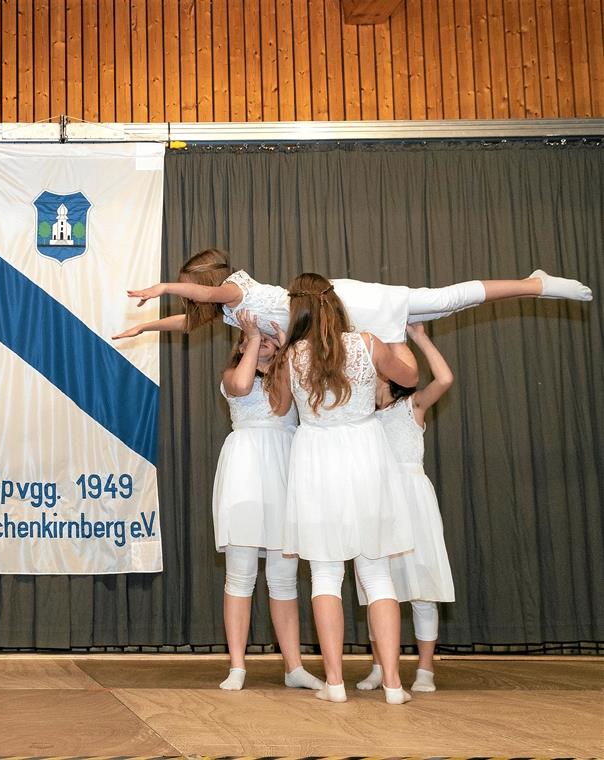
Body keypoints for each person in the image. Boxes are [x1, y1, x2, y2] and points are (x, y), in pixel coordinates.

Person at [267, 273, 419, 705]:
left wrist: (280, 353)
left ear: (298, 310)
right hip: (366, 453)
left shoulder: (290, 357)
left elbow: (279, 408)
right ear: (336, 305)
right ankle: (393, 684)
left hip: (316, 458)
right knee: (377, 574)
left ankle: (334, 683)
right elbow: (410, 375)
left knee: (325, 575)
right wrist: (398, 337)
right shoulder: (368, 343)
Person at [114, 248, 591, 344]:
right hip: (335, 327)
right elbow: (189, 320)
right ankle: (533, 284)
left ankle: (537, 284)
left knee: (443, 301)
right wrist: (147, 325)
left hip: (340, 304)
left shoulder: (237, 288)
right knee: (441, 310)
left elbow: (207, 292)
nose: (191, 300)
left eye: (188, 287)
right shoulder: (229, 313)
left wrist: (163, 286)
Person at [212, 311, 323, 693]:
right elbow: (243, 384)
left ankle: (293, 667)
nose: (263, 345)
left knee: (284, 579)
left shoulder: (288, 379)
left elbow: (279, 406)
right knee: (239, 576)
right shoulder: (232, 377)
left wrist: (287, 346)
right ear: (241, 344)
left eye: (269, 340)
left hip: (284, 473)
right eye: (253, 340)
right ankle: (238, 666)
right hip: (244, 474)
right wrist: (254, 338)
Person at [357, 323, 456, 694]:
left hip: (413, 499)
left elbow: (444, 378)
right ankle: (380, 666)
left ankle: (425, 669)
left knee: (421, 584)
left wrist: (421, 338)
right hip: (378, 499)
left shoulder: (412, 405)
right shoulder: (361, 416)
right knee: (376, 586)